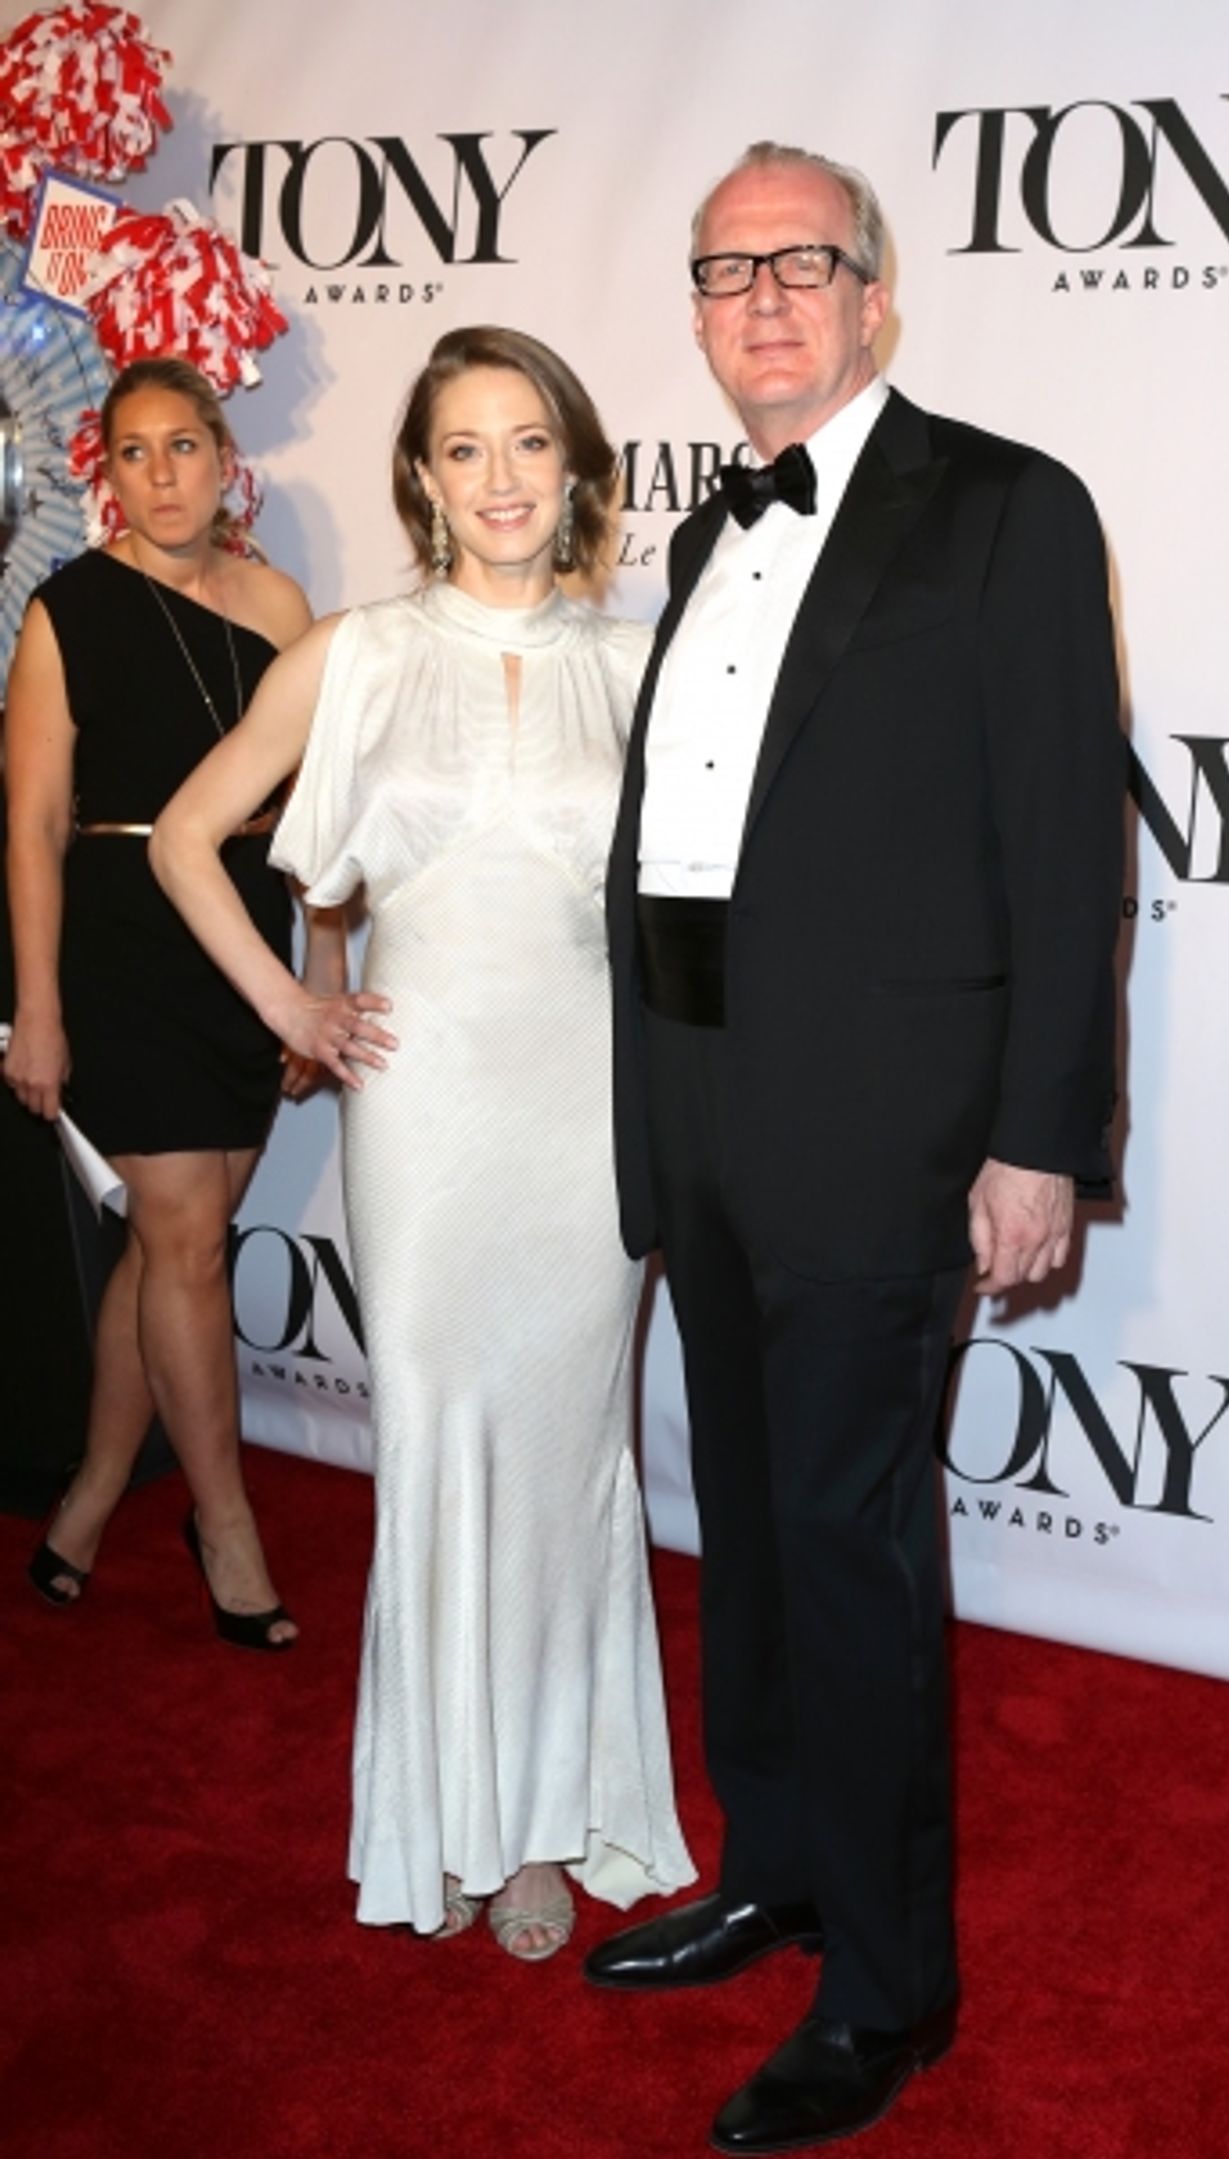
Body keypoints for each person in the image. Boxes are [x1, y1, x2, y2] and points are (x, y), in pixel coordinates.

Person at [587, 143, 1125, 2151]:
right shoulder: (702, 535)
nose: (765, 301)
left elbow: (1068, 845)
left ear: (877, 299)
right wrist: (652, 1119)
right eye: (726, 273)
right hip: (711, 1117)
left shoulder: (1003, 509)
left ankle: (891, 1994)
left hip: (892, 1137)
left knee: (853, 1548)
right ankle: (776, 1871)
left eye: (804, 265)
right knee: (744, 1523)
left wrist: (1036, 1139)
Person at [151, 325, 695, 1956]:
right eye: (466, 448)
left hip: (593, 1116)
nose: (504, 478)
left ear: (580, 466)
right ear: (423, 481)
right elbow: (184, 837)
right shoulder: (359, 652)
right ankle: (444, 1806)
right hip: (432, 1115)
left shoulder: (639, 663)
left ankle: (539, 1821)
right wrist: (291, 1008)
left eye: (532, 442)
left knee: (564, 1455)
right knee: (445, 1439)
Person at [4, 354, 314, 1649]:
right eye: (132, 454)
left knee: (165, 1247)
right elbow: (25, 826)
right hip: (125, 946)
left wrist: (319, 981)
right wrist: (39, 1008)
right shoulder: (65, 611)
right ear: (106, 475)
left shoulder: (283, 601)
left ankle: (83, 1500)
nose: (160, 474)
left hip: (248, 944)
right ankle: (223, 1521)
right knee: (185, 1239)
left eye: (180, 446)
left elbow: (324, 808)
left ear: (220, 455)